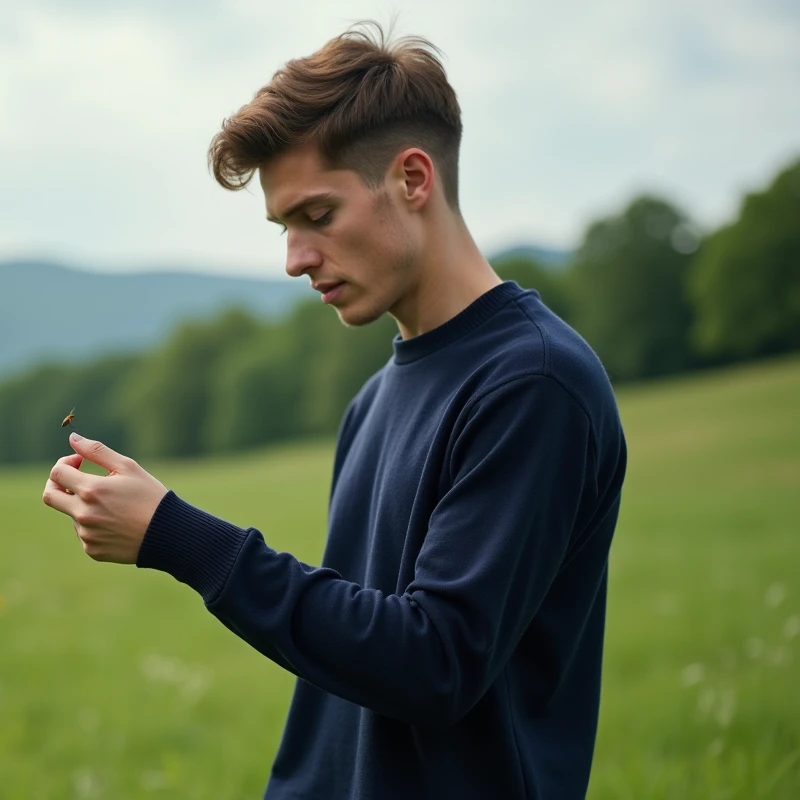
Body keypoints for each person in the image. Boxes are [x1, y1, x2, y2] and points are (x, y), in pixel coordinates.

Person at [42, 21, 627, 800]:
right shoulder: (374, 399)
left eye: (317, 216)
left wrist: (177, 536)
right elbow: (350, 672)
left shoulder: (534, 384)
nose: (295, 259)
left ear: (413, 179)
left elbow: (434, 664)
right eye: (284, 228)